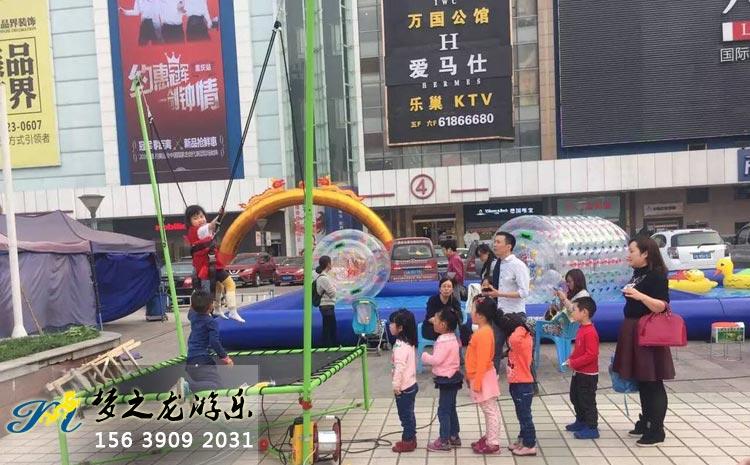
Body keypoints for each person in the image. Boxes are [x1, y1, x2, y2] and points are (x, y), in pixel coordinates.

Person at [612, 236, 674, 447]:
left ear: (645, 253)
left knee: (652, 381)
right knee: (642, 379)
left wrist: (640, 296)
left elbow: (662, 306)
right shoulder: (638, 274)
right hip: (633, 329)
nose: (628, 255)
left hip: (647, 331)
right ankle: (646, 420)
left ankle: (656, 430)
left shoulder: (656, 276)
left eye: (632, 251)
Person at [184, 205, 244, 323]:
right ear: (190, 222)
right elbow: (212, 225)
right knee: (230, 284)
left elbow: (213, 227)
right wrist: (220, 215)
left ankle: (216, 308)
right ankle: (232, 310)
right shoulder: (198, 230)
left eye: (201, 216)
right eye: (196, 218)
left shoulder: (195, 231)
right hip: (209, 266)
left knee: (219, 286)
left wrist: (220, 216)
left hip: (208, 265)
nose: (200, 219)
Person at [421, 308, 463, 452]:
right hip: (454, 377)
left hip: (446, 379)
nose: (433, 321)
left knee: (443, 410)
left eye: (436, 319)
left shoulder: (442, 340)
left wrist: (425, 356)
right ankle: (454, 435)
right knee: (451, 407)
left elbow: (436, 360)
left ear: (443, 325)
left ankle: (444, 440)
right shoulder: (453, 338)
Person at [178, 290, 234, 397]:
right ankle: (188, 386)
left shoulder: (193, 316)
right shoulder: (211, 322)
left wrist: (195, 296)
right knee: (218, 387)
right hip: (202, 361)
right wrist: (225, 358)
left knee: (210, 386)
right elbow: (214, 342)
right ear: (210, 306)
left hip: (191, 362)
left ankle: (191, 391)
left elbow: (192, 310)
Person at [466, 296, 501, 455]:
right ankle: (489, 437)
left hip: (483, 377)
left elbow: (482, 361)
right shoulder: (483, 331)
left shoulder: (484, 334)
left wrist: (478, 382)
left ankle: (493, 442)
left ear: (480, 315)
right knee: (489, 409)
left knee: (490, 410)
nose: (470, 311)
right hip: (481, 376)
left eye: (472, 309)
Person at [499, 312, 537, 456]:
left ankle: (530, 444)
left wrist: (520, 326)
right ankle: (522, 440)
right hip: (516, 383)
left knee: (525, 416)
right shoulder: (521, 339)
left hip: (523, 384)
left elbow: (514, 338)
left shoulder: (519, 340)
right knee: (521, 414)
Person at [565, 297, 600, 440]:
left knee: (587, 400)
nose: (572, 312)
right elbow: (579, 349)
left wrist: (574, 363)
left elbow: (591, 355)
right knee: (575, 397)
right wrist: (571, 359)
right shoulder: (581, 328)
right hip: (579, 372)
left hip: (588, 375)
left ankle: (592, 427)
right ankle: (581, 420)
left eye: (574, 309)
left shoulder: (590, 332)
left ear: (584, 312)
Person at [389, 309, 418, 453]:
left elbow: (399, 368)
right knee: (409, 413)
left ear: (400, 327)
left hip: (404, 388)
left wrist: (396, 386)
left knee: (405, 416)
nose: (390, 325)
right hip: (412, 384)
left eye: (392, 323)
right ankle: (411, 438)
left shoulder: (400, 346)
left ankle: (408, 441)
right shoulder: (409, 342)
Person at [482, 231, 531, 316]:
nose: (495, 245)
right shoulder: (497, 264)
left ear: (508, 247)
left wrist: (499, 294)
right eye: (494, 242)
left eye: (498, 242)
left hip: (514, 314)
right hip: (498, 312)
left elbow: (524, 292)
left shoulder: (518, 265)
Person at [544, 268, 590, 335]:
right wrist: (560, 301)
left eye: (569, 281)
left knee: (533, 324)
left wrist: (564, 299)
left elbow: (574, 311)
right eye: (566, 282)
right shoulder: (574, 294)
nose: (567, 284)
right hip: (564, 326)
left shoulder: (583, 295)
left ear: (577, 281)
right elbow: (563, 310)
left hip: (565, 330)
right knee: (533, 322)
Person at [315, 256, 337, 348]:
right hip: (326, 305)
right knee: (330, 327)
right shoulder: (324, 278)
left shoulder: (324, 277)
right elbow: (332, 293)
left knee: (328, 327)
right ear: (328, 264)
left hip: (326, 305)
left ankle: (327, 346)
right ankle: (329, 346)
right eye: (330, 263)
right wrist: (334, 288)